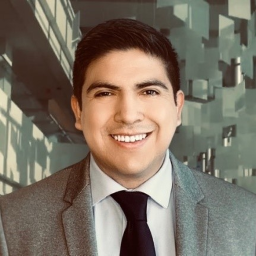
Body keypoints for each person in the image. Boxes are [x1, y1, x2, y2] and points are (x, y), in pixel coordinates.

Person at [0, 19, 255, 256]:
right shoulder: (12, 221)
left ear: (178, 108)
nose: (129, 115)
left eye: (150, 91)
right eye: (105, 94)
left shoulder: (246, 217)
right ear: (78, 111)